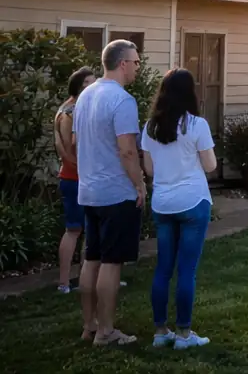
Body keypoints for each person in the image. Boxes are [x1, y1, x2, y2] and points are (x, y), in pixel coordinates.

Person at [73, 39, 145, 346]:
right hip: (116, 193)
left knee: (92, 259)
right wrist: (139, 184)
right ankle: (105, 331)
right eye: (137, 62)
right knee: (112, 262)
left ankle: (88, 325)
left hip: (88, 190)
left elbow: (77, 144)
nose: (138, 68)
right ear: (123, 63)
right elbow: (128, 151)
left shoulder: (85, 95)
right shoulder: (122, 100)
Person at [141, 69, 217, 350]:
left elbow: (148, 169)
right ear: (190, 92)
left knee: (163, 269)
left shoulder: (150, 127)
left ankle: (161, 331)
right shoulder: (197, 125)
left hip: (162, 203)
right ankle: (184, 334)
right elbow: (210, 166)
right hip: (193, 203)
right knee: (187, 270)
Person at [54, 67, 97, 293]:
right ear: (81, 86)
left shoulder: (63, 109)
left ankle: (76, 280)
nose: (95, 87)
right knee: (77, 230)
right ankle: (68, 281)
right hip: (78, 176)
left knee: (77, 229)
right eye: (90, 83)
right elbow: (75, 145)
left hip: (69, 175)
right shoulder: (75, 111)